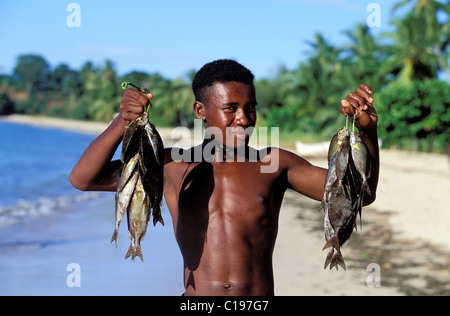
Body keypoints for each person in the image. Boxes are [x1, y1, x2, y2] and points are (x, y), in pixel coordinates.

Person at [70, 59, 379, 296]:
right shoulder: (172, 166)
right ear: (200, 110)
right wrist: (122, 122)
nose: (243, 118)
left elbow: (359, 196)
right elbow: (84, 179)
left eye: (250, 108)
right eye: (230, 108)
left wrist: (367, 132)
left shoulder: (274, 163)